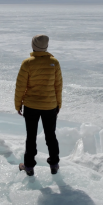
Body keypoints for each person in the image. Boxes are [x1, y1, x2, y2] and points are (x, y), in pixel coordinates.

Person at [15, 34, 62, 176]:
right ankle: (54, 164)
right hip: (50, 106)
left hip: (31, 106)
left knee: (31, 136)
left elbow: (20, 87)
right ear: (46, 46)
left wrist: (18, 105)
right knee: (51, 136)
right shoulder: (54, 62)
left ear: (33, 46)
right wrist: (58, 104)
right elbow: (58, 86)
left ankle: (28, 166)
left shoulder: (27, 63)